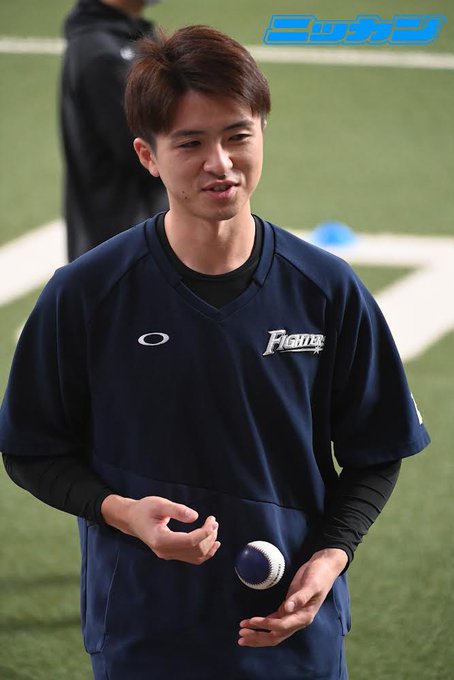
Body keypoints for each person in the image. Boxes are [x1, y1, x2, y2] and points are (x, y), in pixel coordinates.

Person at [0, 25, 430, 680]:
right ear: (147, 156)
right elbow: (31, 448)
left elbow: (377, 451)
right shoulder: (86, 294)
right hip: (143, 634)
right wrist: (123, 513)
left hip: (292, 635)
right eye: (190, 143)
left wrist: (331, 556)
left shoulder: (327, 290)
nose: (221, 163)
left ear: (262, 132)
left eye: (237, 136)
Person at [60, 0, 168, 261]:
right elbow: (150, 156)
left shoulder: (126, 37)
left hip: (142, 237)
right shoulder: (102, 56)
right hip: (127, 248)